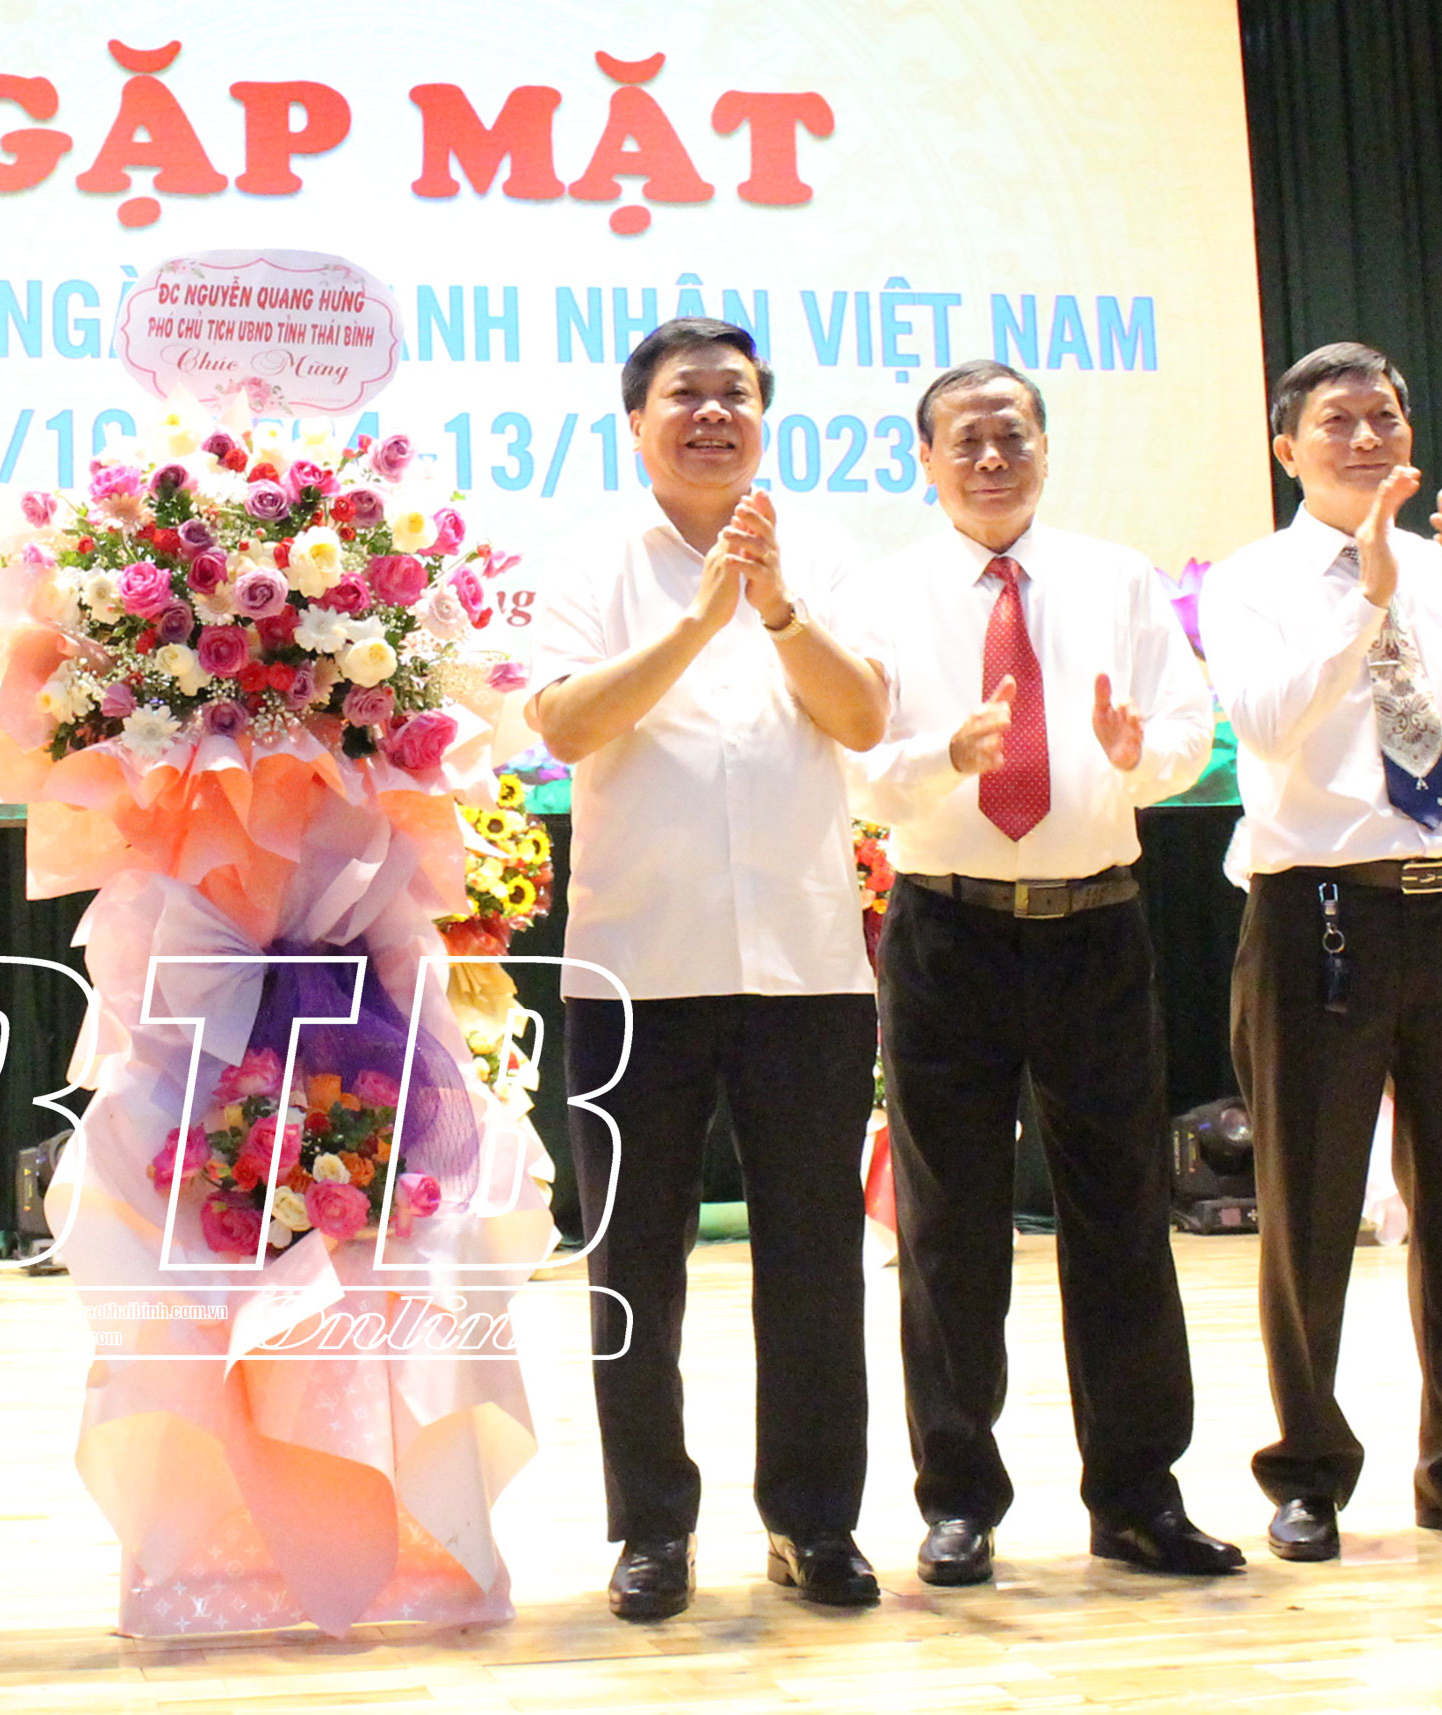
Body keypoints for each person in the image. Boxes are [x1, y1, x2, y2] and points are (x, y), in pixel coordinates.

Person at [843, 360, 1239, 1585]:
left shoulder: (1118, 579)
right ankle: (958, 1498)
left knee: (1122, 1216)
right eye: (966, 439)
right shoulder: (881, 593)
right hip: (946, 932)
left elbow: (1185, 732)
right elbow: (855, 766)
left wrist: (1139, 753)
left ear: (1046, 449)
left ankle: (1138, 1495)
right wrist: (940, 757)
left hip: (1095, 927)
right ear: (924, 459)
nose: (992, 458)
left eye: (1012, 435)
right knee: (950, 1228)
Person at [525, 317, 893, 1619]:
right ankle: (652, 1527)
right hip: (637, 963)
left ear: (764, 416)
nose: (712, 413)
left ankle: (814, 1521)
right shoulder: (589, 561)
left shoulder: (824, 552)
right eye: (685, 394)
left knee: (816, 1258)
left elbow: (863, 717)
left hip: (805, 963)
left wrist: (776, 606)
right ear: (637, 423)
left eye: (735, 393)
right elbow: (565, 724)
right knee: (635, 1262)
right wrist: (697, 625)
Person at [1200, 341, 1442, 1563]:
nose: (1366, 438)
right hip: (1321, 912)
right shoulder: (1252, 580)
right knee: (1310, 1203)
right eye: (1337, 421)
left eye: (1384, 416)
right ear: (1287, 449)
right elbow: (1264, 722)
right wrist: (1363, 597)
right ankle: (1307, 1470)